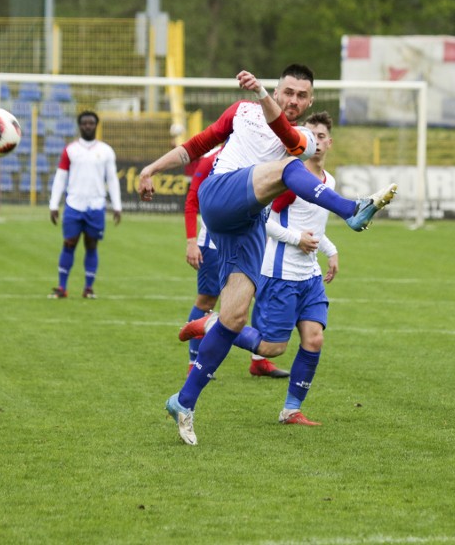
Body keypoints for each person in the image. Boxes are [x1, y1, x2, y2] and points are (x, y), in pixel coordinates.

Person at [138, 64, 397, 445]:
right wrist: (151, 168)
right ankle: (351, 210)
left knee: (234, 316)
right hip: (221, 194)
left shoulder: (306, 137)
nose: (293, 100)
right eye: (287, 92)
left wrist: (261, 93)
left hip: (249, 224)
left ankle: (184, 400)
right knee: (288, 167)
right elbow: (195, 146)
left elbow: (286, 135)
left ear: (310, 101)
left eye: (301, 96)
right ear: (278, 91)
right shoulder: (241, 111)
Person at [180, 111, 341, 427]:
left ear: (329, 143)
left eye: (322, 137)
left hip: (310, 276)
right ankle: (214, 323)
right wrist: (296, 239)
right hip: (281, 273)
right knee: (272, 347)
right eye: (311, 136)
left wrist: (329, 249)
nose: (316, 142)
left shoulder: (327, 181)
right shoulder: (287, 179)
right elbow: (267, 220)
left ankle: (291, 410)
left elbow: (311, 226)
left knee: (314, 339)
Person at [181, 146, 289, 379]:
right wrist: (191, 242)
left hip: (248, 243)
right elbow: (191, 202)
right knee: (207, 299)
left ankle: (259, 360)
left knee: (253, 297)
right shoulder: (211, 161)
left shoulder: (259, 156)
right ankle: (194, 362)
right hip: (212, 244)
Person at [47, 111, 121, 299]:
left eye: (91, 123)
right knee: (69, 243)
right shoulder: (70, 150)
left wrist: (117, 205)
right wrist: (54, 204)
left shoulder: (105, 151)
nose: (88, 126)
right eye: (84, 123)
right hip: (73, 204)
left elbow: (112, 179)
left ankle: (88, 288)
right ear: (79, 126)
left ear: (96, 125)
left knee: (91, 245)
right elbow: (60, 177)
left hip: (96, 205)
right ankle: (62, 287)